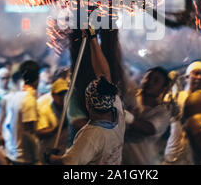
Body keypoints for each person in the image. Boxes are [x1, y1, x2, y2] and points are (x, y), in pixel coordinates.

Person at [46, 29, 125, 165]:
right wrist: (92, 38)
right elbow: (104, 75)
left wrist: (51, 159)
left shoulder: (91, 135)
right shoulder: (117, 113)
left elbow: (68, 162)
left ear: (88, 104)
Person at [122, 67, 171, 165]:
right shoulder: (129, 98)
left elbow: (149, 129)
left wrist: (126, 116)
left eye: (156, 80)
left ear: (163, 89)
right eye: (148, 78)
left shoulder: (163, 113)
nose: (150, 82)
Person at [0, 60, 40, 165]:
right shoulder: (29, 100)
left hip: (12, 152)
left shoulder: (14, 96)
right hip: (25, 157)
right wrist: (37, 158)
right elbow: (28, 132)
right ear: (37, 79)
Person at [36, 78, 69, 160]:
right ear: (53, 95)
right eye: (60, 94)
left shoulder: (69, 109)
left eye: (65, 93)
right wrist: (56, 129)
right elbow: (40, 133)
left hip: (63, 154)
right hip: (48, 154)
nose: (63, 97)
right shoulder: (45, 110)